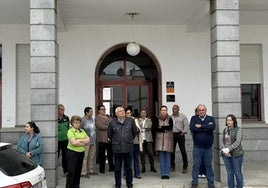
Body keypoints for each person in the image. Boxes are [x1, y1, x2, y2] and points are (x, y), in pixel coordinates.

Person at [108, 106, 137, 188]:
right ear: (116, 114)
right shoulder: (112, 122)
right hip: (117, 149)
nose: (122, 112)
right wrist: (117, 141)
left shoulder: (131, 121)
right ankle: (118, 184)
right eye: (120, 111)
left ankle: (129, 184)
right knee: (117, 168)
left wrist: (128, 139)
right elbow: (110, 135)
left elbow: (134, 132)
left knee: (128, 168)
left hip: (128, 148)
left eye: (123, 110)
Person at [190, 104, 216, 188]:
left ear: (206, 110)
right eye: (199, 110)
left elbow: (212, 127)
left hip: (208, 147)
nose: (201, 111)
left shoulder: (211, 118)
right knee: (196, 165)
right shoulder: (194, 118)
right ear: (197, 111)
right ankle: (194, 182)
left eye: (203, 110)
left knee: (208, 165)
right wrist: (206, 127)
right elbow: (193, 128)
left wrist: (200, 126)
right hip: (197, 147)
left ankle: (211, 183)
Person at [66, 115, 90, 188]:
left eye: (79, 122)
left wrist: (79, 140)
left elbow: (88, 140)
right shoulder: (70, 131)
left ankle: (76, 186)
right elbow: (74, 143)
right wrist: (83, 142)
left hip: (81, 153)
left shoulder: (82, 131)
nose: (78, 124)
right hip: (72, 153)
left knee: (78, 171)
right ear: (72, 123)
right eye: (76, 122)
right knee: (71, 172)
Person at [221, 114, 244, 188]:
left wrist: (229, 149)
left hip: (236, 154)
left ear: (234, 121)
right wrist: (225, 150)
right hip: (226, 155)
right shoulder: (225, 130)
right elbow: (222, 141)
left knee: (237, 173)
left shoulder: (238, 129)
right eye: (227, 120)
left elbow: (238, 142)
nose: (229, 122)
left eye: (230, 120)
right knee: (229, 173)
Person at [155, 105, 173, 179]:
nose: (163, 111)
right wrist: (165, 128)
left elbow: (170, 127)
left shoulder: (170, 119)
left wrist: (161, 127)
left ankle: (167, 174)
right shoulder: (157, 119)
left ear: (167, 111)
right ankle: (163, 174)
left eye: (165, 110)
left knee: (168, 158)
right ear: (160, 111)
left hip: (168, 140)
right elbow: (156, 128)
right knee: (162, 158)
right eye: (162, 110)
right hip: (159, 141)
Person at [95, 104, 115, 173]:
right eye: (102, 109)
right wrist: (108, 125)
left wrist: (107, 125)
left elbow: (113, 124)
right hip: (102, 139)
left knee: (110, 154)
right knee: (102, 154)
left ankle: (111, 167)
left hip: (109, 138)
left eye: (104, 109)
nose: (104, 110)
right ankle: (102, 168)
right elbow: (101, 126)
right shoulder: (97, 118)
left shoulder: (108, 116)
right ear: (98, 111)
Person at [170, 104, 189, 173]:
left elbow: (186, 125)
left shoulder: (182, 116)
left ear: (178, 110)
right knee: (172, 151)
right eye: (173, 109)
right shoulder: (170, 117)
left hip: (180, 134)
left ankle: (185, 167)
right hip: (172, 135)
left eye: (175, 109)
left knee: (183, 151)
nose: (173, 110)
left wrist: (183, 132)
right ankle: (172, 166)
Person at [80, 107, 98, 178]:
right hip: (86, 142)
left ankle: (90, 170)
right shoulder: (82, 120)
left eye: (92, 111)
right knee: (85, 157)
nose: (92, 113)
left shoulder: (92, 119)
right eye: (90, 112)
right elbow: (80, 130)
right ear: (86, 112)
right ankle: (83, 172)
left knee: (91, 156)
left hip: (93, 140)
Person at [124, 108, 142, 179]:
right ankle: (126, 173)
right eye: (127, 113)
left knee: (136, 158)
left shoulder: (134, 120)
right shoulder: (123, 120)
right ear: (125, 114)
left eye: (130, 112)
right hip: (126, 142)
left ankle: (137, 173)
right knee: (127, 159)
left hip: (135, 141)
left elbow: (138, 129)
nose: (129, 114)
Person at [137, 109, 157, 173]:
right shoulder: (138, 120)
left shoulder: (149, 120)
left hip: (148, 139)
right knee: (142, 154)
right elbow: (137, 128)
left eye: (144, 113)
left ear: (146, 114)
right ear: (140, 114)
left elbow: (149, 126)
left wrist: (142, 127)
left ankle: (152, 166)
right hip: (141, 139)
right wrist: (142, 127)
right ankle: (143, 167)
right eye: (142, 113)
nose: (143, 114)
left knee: (150, 153)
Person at [58, 104, 70, 176]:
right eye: (61, 109)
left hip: (65, 140)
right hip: (57, 141)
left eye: (63, 109)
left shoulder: (66, 118)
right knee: (56, 156)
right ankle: (54, 171)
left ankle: (65, 171)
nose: (63, 111)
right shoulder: (54, 118)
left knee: (65, 156)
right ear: (57, 110)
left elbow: (68, 128)